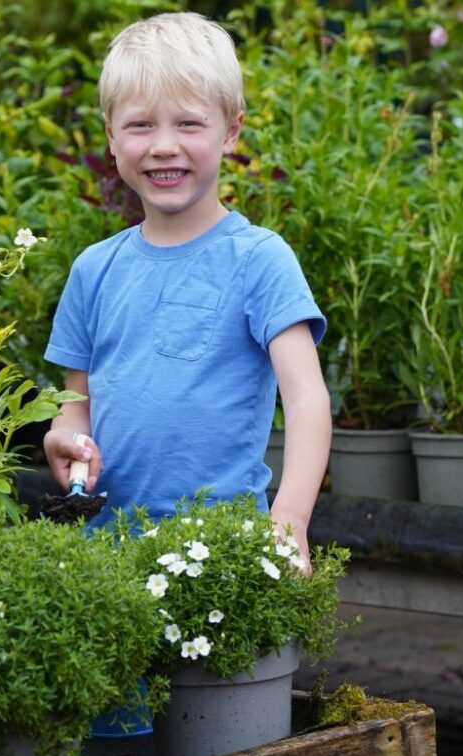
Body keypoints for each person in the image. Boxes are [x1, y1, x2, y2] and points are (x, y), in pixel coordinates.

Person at [42, 11, 330, 568]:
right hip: (105, 550)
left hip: (222, 552)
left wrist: (289, 520)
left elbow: (306, 398)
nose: (163, 146)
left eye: (189, 125)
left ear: (232, 131)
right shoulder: (93, 270)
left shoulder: (259, 259)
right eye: (141, 125)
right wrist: (66, 442)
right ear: (110, 135)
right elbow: (75, 407)